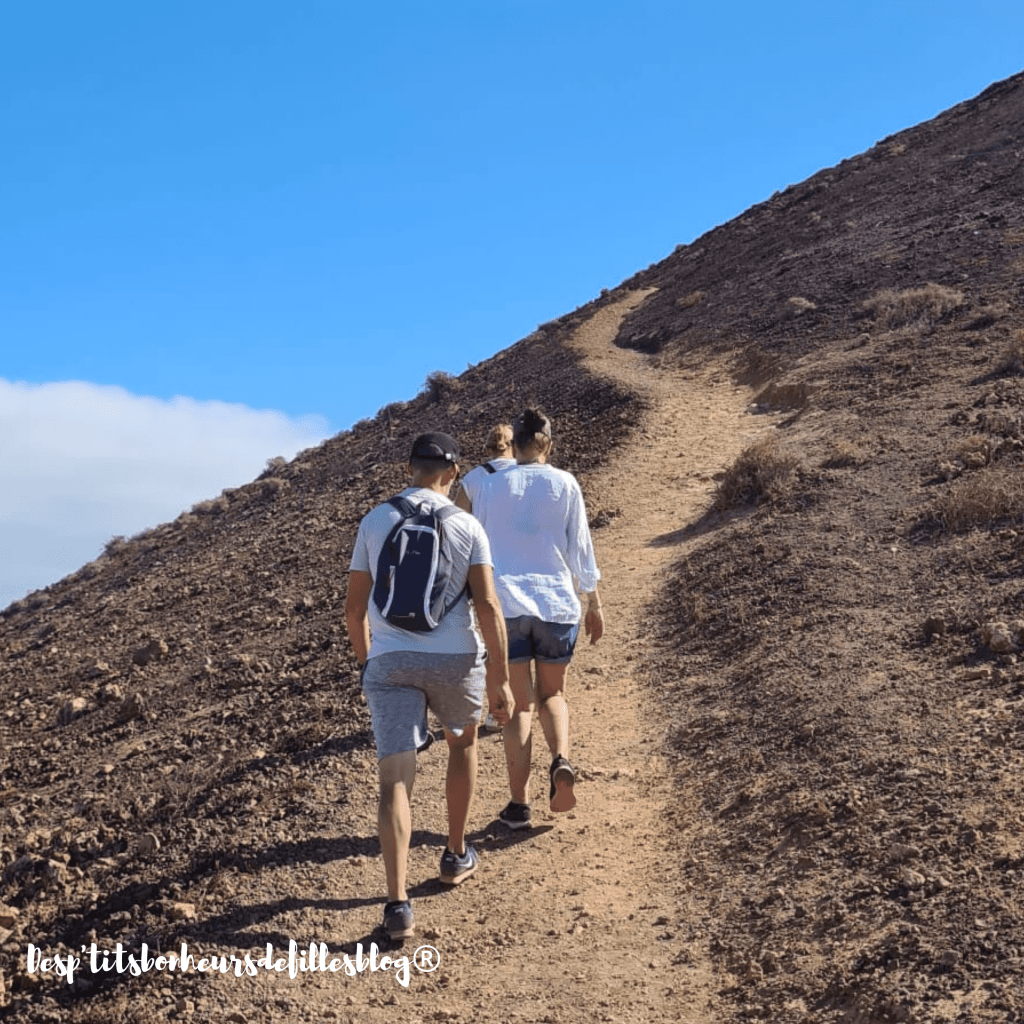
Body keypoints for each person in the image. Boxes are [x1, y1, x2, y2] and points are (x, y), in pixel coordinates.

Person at [344, 431, 514, 941]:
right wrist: (501, 681)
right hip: (456, 660)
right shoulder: (467, 525)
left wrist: (371, 663)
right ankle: (455, 853)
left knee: (394, 778)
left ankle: (397, 906)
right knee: (462, 746)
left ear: (411, 468)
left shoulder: (375, 519)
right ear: (453, 473)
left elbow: (355, 610)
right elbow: (487, 607)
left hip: (391, 661)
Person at [471, 409, 604, 830]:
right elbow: (580, 548)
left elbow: (476, 549)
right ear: (546, 442)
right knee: (553, 696)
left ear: (518, 442)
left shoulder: (490, 486)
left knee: (519, 705)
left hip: (506, 607)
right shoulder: (565, 483)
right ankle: (561, 758)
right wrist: (594, 603)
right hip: (556, 605)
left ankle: (519, 804)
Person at [455, 423, 516, 731]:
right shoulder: (527, 474)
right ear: (513, 446)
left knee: (491, 640)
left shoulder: (474, 479)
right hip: (522, 568)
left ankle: (491, 709)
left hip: (485, 571)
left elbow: (455, 521)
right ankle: (514, 702)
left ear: (487, 448)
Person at [454, 423, 516, 515]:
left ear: (488, 451)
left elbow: (459, 518)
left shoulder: (471, 478)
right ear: (515, 448)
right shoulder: (529, 474)